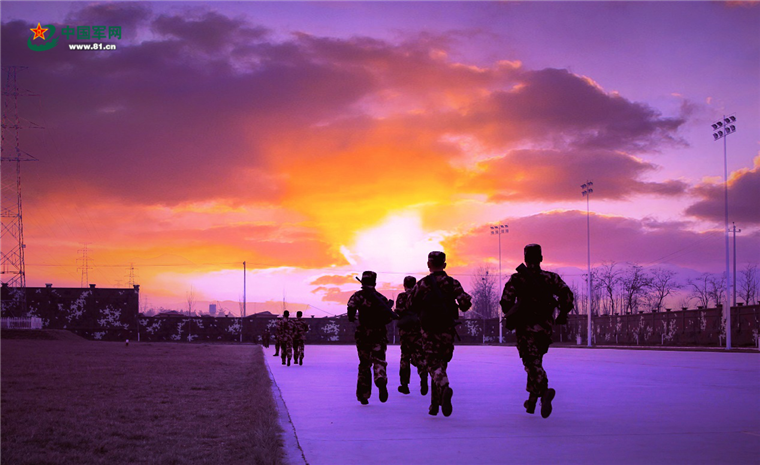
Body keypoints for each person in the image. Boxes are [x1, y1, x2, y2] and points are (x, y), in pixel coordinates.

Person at [500, 243, 574, 419]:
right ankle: (531, 402)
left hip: (525, 328)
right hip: (545, 328)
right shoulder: (551, 278)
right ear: (541, 258)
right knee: (536, 361)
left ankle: (544, 391)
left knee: (531, 363)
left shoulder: (517, 280)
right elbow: (567, 295)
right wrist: (563, 313)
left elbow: (505, 302)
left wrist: (513, 315)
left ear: (525, 259)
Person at [409, 251, 472, 417]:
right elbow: (465, 304)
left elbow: (411, 306)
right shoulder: (452, 283)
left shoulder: (422, 284)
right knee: (441, 364)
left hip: (429, 331)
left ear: (428, 265)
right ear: (444, 265)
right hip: (447, 331)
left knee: (433, 365)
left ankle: (443, 387)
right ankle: (434, 405)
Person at [347, 271, 396, 405]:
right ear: (374, 282)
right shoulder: (381, 298)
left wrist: (352, 318)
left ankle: (364, 395)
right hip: (379, 334)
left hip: (363, 334)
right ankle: (380, 378)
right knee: (379, 359)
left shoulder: (358, 296)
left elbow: (351, 309)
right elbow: (388, 317)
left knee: (364, 364)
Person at [394, 275, 428, 396]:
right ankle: (423, 375)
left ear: (404, 285)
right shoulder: (420, 296)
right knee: (419, 354)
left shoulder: (401, 297)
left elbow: (398, 311)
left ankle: (404, 385)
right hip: (418, 331)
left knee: (405, 357)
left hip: (405, 332)